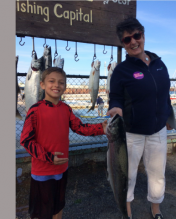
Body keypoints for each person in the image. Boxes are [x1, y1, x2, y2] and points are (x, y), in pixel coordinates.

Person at [107, 17, 176, 219]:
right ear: (123, 44)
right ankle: (126, 211)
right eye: (127, 40)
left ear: (143, 36)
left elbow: (164, 95)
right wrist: (115, 110)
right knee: (127, 176)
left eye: (136, 36)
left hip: (158, 130)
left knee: (157, 174)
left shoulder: (159, 64)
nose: (133, 42)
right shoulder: (121, 71)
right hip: (131, 133)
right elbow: (116, 98)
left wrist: (168, 118)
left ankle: (156, 209)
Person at [20, 67, 108, 219]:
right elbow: (26, 140)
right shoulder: (35, 110)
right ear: (42, 85)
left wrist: (102, 128)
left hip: (61, 169)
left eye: (61, 82)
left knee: (58, 206)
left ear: (65, 87)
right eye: (51, 81)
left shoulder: (66, 109)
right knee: (41, 211)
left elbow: (80, 128)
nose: (56, 85)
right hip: (42, 171)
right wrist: (48, 157)